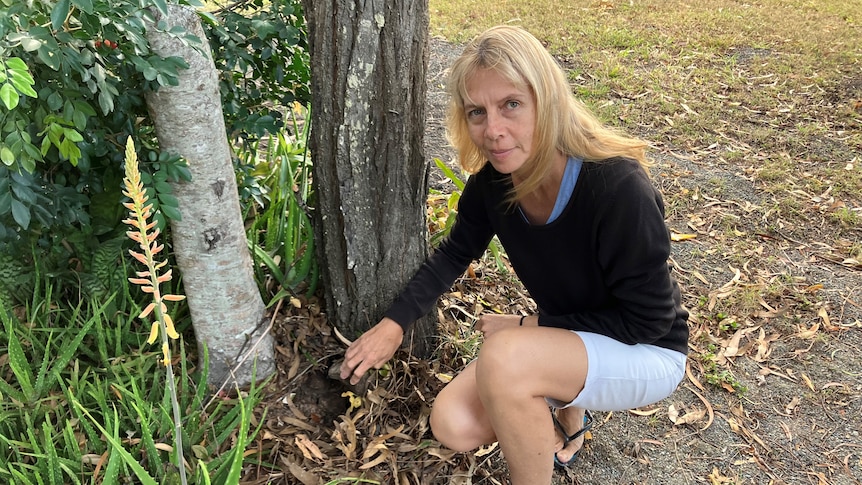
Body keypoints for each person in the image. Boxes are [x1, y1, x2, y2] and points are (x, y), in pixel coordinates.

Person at [339, 25, 689, 484]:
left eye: (511, 105)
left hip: (647, 349)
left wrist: (530, 325)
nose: (493, 131)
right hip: (577, 336)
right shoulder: (495, 183)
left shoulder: (616, 188)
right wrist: (394, 323)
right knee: (454, 424)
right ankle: (569, 414)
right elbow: (454, 253)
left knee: (506, 356)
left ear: (546, 99)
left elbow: (648, 322)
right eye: (476, 112)